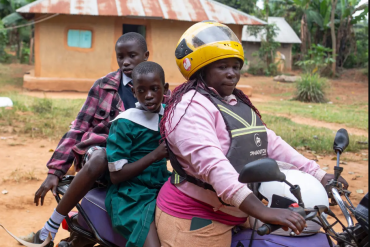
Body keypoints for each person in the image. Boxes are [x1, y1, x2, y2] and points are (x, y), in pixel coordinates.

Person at [155, 21, 349, 247]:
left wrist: (318, 174)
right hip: (197, 216)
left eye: (236, 67)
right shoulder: (188, 108)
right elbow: (213, 166)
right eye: (222, 67)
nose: (232, 74)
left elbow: (271, 143)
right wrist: (264, 211)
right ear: (201, 70)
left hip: (243, 208)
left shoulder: (235, 103)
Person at [32, 32, 160, 245]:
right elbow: (78, 127)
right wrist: (55, 171)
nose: (126, 62)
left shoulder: (156, 85)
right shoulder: (104, 85)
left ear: (145, 55)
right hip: (99, 153)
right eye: (121, 57)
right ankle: (50, 227)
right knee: (102, 156)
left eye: (132, 55)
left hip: (137, 160)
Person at [105, 61, 170, 247]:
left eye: (154, 89)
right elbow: (116, 175)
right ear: (134, 92)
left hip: (161, 186)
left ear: (165, 88)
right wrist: (155, 155)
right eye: (141, 91)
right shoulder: (125, 123)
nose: (148, 95)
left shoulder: (168, 117)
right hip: (130, 195)